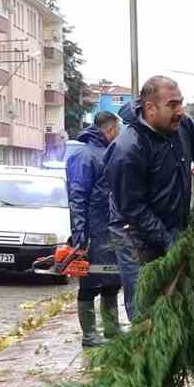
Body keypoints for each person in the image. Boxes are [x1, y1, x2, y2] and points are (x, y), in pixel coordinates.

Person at [104, 75, 194, 318]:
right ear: (150, 108)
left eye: (181, 102)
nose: (180, 110)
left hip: (172, 224)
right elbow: (134, 209)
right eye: (172, 105)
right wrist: (170, 243)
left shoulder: (183, 126)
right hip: (134, 236)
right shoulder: (128, 149)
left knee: (179, 302)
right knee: (146, 306)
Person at [63, 112, 123, 347]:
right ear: (109, 131)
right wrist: (80, 235)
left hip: (110, 230)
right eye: (117, 130)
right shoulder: (84, 155)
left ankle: (111, 329)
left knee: (112, 279)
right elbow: (77, 197)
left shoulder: (107, 153)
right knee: (89, 282)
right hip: (92, 232)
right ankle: (89, 335)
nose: (119, 135)